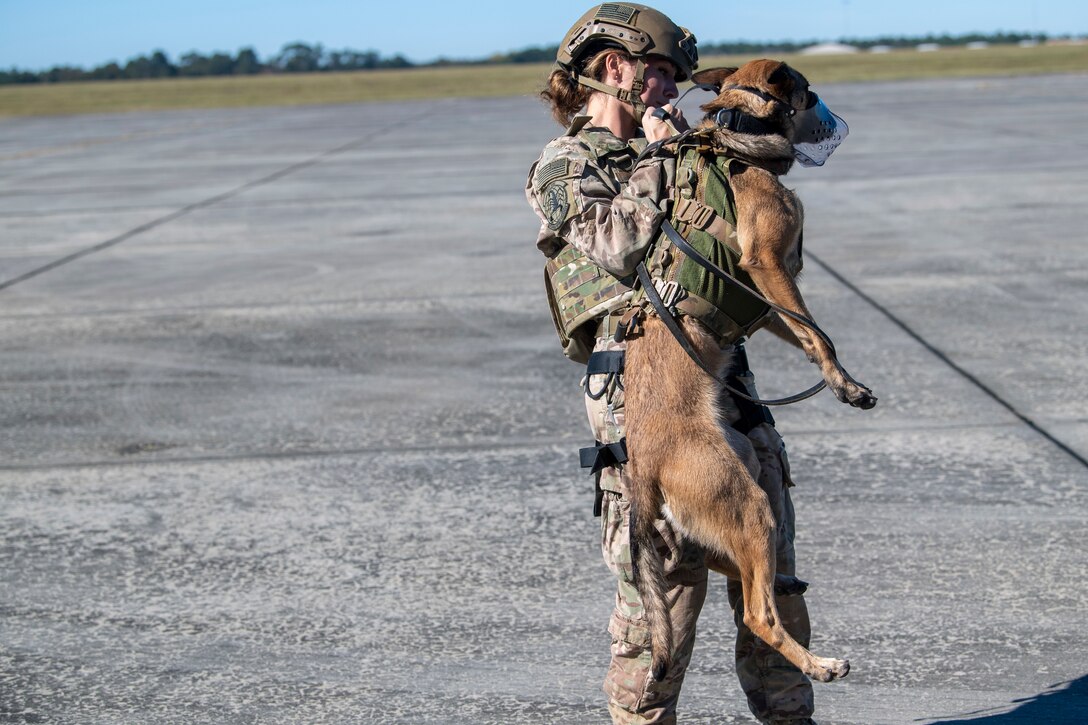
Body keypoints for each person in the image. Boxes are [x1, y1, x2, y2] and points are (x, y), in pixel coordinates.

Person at [525, 4, 819, 725]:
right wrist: (663, 159)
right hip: (640, 390)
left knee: (773, 575)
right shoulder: (565, 165)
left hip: (726, 378)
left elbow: (763, 261)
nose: (672, 90)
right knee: (664, 593)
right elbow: (620, 247)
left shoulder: (690, 150)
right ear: (613, 68)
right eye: (659, 73)